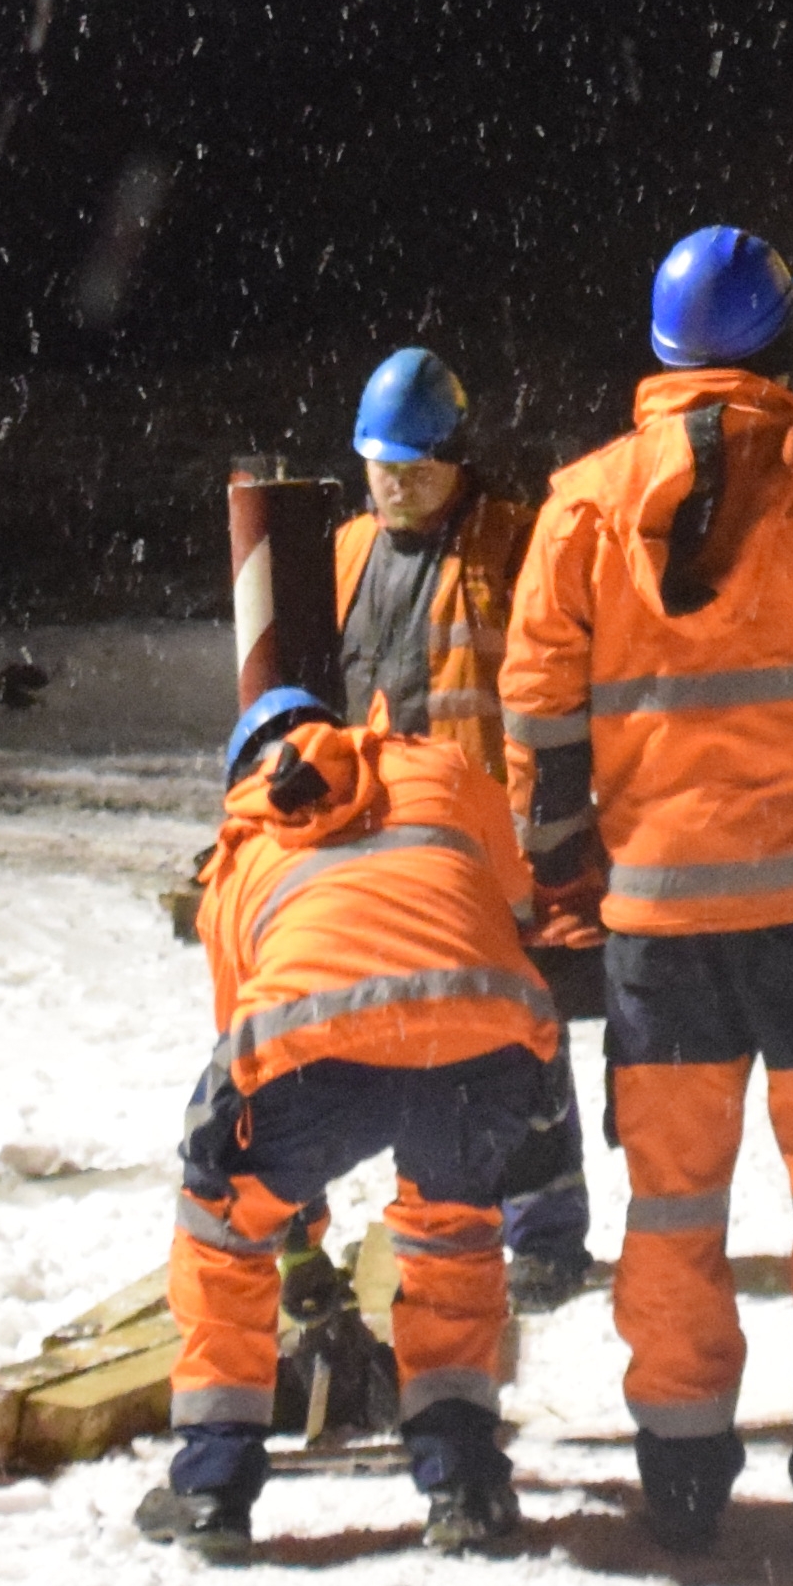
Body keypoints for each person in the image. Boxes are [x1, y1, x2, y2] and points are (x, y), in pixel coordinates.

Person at [503, 224, 793, 1562]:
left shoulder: (584, 503)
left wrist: (566, 856)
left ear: (659, 356)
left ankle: (685, 1461)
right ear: (781, 343)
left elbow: (533, 713)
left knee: (671, 1203)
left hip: (660, 932)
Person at [139, 680, 566, 1563]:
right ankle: (465, 1483)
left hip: (318, 1048)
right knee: (452, 1234)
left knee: (220, 1223)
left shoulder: (240, 848)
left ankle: (214, 1485)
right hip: (480, 1035)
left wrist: (296, 1235)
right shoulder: (439, 767)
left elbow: (246, 1052)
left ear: (243, 774)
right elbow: (514, 893)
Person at [334, 346, 589, 1303]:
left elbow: (554, 683)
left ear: (455, 458)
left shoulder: (512, 545)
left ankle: (549, 1236)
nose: (394, 488)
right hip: (383, 852)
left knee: (521, 1040)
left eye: (414, 469)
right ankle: (453, 1224)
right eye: (380, 467)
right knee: (417, 1047)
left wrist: (545, 827)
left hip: (489, 849)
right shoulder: (351, 552)